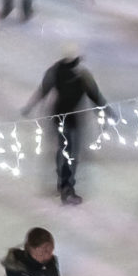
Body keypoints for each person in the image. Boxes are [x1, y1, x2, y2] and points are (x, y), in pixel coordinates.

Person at [21, 47, 105, 206]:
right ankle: (67, 187)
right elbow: (95, 95)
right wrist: (106, 110)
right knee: (69, 152)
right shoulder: (81, 74)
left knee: (65, 150)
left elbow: (43, 90)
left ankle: (63, 183)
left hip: (60, 117)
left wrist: (30, 106)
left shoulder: (56, 71)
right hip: (69, 119)